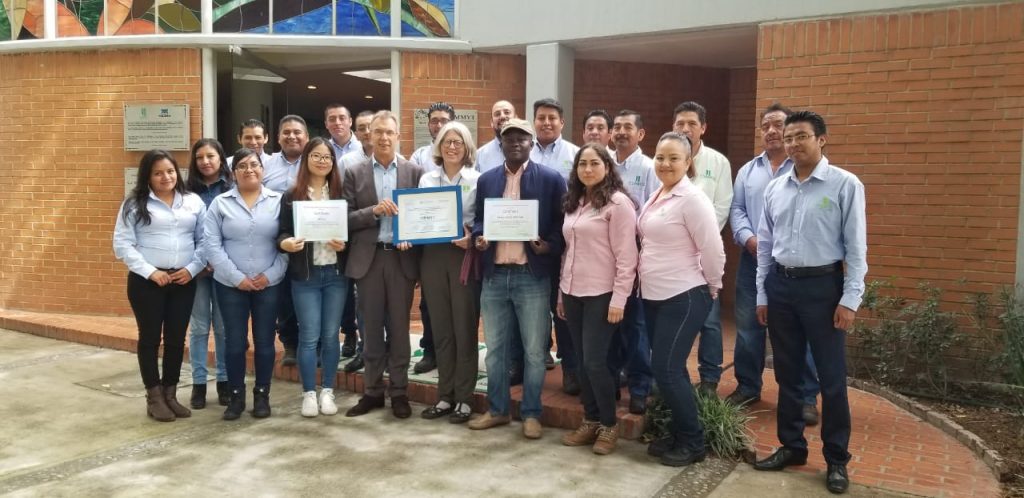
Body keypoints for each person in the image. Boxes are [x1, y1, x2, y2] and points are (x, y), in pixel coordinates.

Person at [752, 110, 866, 495]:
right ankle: (792, 446)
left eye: (801, 136)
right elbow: (765, 246)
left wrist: (850, 300)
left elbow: (857, 249)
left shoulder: (845, 185)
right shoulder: (776, 187)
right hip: (781, 288)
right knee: (787, 374)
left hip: (824, 289)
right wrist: (763, 293)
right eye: (788, 137)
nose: (793, 143)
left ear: (822, 140)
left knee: (832, 380)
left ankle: (836, 459)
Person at [468, 118, 566, 440]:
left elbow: (560, 226)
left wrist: (546, 245)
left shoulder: (551, 179)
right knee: (495, 350)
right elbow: (481, 221)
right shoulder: (487, 180)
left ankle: (531, 413)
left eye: (522, 138)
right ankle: (496, 410)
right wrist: (480, 238)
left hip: (531, 277)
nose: (515, 143)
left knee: (535, 351)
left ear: (531, 143)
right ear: (501, 143)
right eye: (509, 138)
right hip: (495, 277)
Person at [726, 104, 822, 426]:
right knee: (749, 329)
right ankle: (748, 386)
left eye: (777, 125)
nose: (770, 131)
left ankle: (805, 396)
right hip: (752, 262)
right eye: (764, 125)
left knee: (798, 333)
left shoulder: (803, 171)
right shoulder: (748, 171)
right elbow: (737, 210)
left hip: (790, 267)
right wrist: (748, 238)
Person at [639, 132, 725, 467]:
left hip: (683, 294)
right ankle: (678, 433)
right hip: (655, 295)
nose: (665, 164)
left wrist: (712, 286)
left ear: (688, 162)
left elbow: (713, 248)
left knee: (667, 368)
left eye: (674, 158)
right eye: (660, 157)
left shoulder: (692, 199)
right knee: (666, 369)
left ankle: (693, 442)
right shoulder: (659, 193)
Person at [343, 111, 425, 419]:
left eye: (389, 132)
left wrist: (413, 237)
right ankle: (373, 391)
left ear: (398, 135)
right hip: (369, 259)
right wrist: (373, 211)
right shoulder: (354, 172)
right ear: (369, 136)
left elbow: (424, 217)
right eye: (377, 132)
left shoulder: (415, 172)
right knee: (372, 329)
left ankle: (400, 392)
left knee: (400, 330)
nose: (383, 137)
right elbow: (346, 219)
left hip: (401, 259)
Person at [557, 144, 638, 455]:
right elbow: (568, 253)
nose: (588, 169)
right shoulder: (575, 202)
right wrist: (561, 295)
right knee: (580, 361)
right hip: (573, 293)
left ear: (607, 166)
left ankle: (609, 425)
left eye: (594, 163)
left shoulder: (618, 205)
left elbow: (627, 257)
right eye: (582, 164)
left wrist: (620, 299)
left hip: (602, 295)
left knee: (594, 361)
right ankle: (589, 420)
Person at [113, 150, 206, 422]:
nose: (166, 177)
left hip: (183, 281)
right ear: (148, 177)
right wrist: (151, 272)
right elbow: (122, 244)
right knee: (150, 339)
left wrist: (191, 269)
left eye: (170, 171)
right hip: (147, 283)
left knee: (177, 339)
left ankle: (170, 394)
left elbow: (204, 241)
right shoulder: (134, 204)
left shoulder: (193, 201)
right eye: (158, 173)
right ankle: (153, 397)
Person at [203, 148, 288, 421]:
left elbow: (287, 242)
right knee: (235, 342)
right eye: (242, 166)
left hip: (269, 284)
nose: (249, 169)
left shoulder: (278, 201)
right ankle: (236, 397)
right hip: (230, 285)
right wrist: (236, 277)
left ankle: (262, 395)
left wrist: (270, 276)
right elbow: (211, 245)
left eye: (254, 164)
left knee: (265, 342)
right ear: (233, 172)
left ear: (263, 169)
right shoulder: (220, 203)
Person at [277, 138, 349, 418]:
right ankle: (308, 393)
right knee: (308, 336)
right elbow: (281, 233)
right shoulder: (292, 195)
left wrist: (345, 244)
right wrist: (287, 244)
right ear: (306, 158)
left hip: (335, 275)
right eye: (316, 156)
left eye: (327, 157)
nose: (322, 161)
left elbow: (351, 233)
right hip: (305, 276)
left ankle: (328, 391)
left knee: (331, 336)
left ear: (333, 162)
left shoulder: (341, 194)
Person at [417, 121, 481, 424]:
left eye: (458, 141)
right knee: (441, 328)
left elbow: (483, 220)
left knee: (464, 328)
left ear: (467, 147)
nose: (452, 146)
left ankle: (465, 399)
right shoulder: (427, 179)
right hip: (432, 256)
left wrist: (473, 238)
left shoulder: (478, 180)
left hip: (462, 255)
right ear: (439, 146)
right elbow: (417, 216)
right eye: (447, 141)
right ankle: (445, 396)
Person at [672, 101, 733, 398]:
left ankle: (709, 378)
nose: (685, 129)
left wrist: (699, 237)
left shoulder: (718, 162)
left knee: (709, 319)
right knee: (673, 318)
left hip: (704, 253)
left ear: (703, 128)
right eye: (680, 123)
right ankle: (675, 374)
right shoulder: (666, 159)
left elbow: (722, 207)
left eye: (691, 124)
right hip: (673, 256)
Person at [606, 109, 658, 415]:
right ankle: (611, 381)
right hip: (604, 258)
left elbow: (650, 213)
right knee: (609, 326)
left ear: (641, 134)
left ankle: (640, 387)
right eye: (617, 127)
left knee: (637, 327)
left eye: (628, 127)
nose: (621, 132)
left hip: (636, 258)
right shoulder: (604, 164)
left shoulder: (649, 168)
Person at [530, 97, 580, 394]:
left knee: (563, 311)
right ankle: (530, 362)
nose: (546, 123)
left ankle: (571, 368)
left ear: (562, 122)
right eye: (541, 118)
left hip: (565, 242)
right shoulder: (523, 152)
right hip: (528, 242)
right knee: (533, 308)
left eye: (552, 118)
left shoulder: (575, 155)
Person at [409, 101, 457, 375]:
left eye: (443, 120)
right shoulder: (419, 157)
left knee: (458, 305)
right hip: (431, 244)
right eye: (434, 120)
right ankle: (430, 350)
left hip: (458, 245)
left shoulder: (463, 153)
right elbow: (414, 200)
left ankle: (457, 351)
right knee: (430, 302)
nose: (438, 125)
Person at [185, 138, 232, 409]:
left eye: (211, 156)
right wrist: (199, 262)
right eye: (200, 157)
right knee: (200, 327)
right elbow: (184, 232)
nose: (205, 161)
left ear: (220, 158)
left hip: (223, 268)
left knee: (224, 327)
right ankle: (199, 383)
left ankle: (224, 380)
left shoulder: (231, 188)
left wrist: (218, 260)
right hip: (197, 270)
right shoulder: (186, 193)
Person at [263, 115, 309, 367]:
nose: (292, 136)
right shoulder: (266, 165)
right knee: (284, 295)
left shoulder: (315, 162)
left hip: (310, 240)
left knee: (310, 291)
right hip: (276, 240)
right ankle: (290, 343)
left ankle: (314, 342)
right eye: (287, 132)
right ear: (278, 137)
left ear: (306, 137)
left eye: (297, 132)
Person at [475, 100, 515, 173]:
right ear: (491, 123)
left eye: (507, 112)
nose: (502, 116)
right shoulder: (479, 156)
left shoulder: (530, 151)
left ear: (516, 118)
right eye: (497, 114)